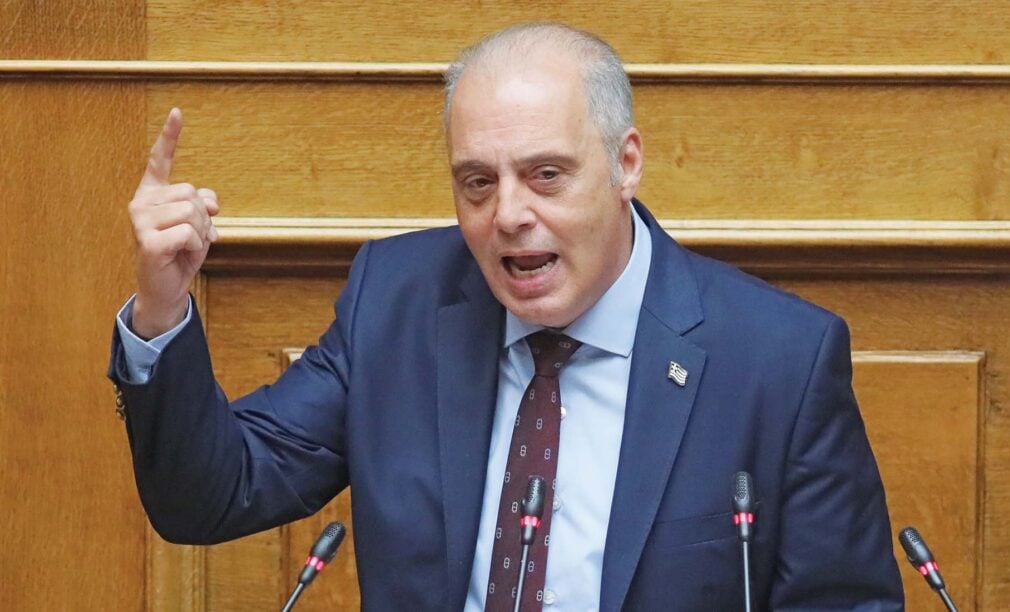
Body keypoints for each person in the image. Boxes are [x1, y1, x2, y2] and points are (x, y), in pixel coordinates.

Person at [109, 22, 904, 611]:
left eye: (546, 174)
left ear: (626, 163)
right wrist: (163, 305)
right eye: (477, 183)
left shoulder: (778, 360)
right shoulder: (398, 304)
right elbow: (211, 495)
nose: (509, 215)